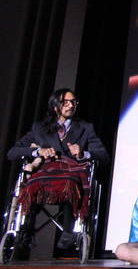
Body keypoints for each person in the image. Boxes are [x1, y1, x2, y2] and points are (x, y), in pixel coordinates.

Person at [6, 88, 108, 250]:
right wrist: (38, 151)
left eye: (73, 102)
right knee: (32, 185)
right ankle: (26, 230)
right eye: (65, 102)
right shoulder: (39, 128)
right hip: (46, 171)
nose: (71, 105)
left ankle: (68, 232)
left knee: (69, 183)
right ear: (55, 106)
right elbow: (12, 152)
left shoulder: (85, 128)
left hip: (71, 172)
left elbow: (103, 155)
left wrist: (83, 153)